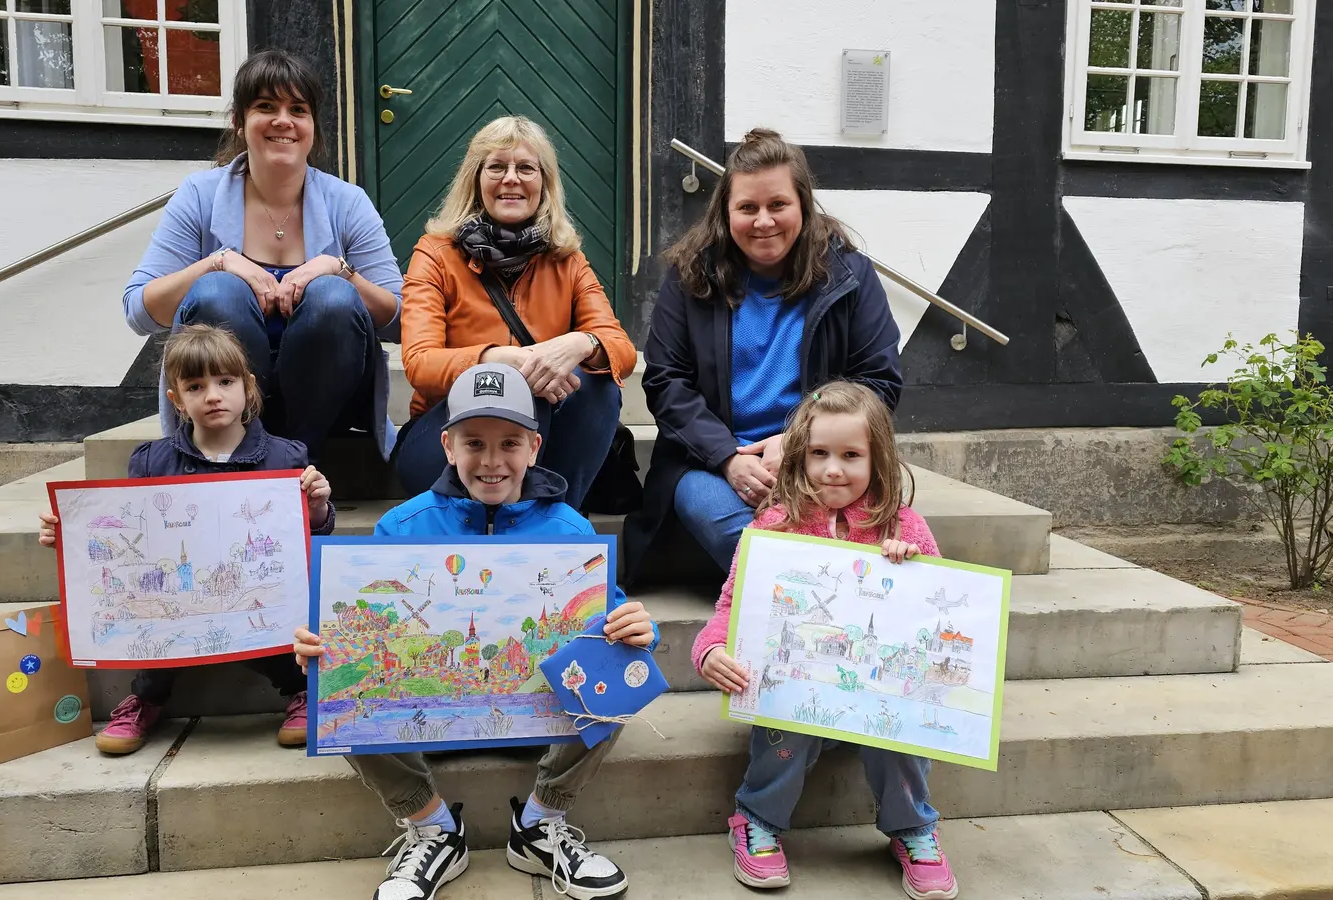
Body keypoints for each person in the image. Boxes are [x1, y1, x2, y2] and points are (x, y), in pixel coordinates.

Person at [292, 363, 657, 900]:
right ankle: (433, 827)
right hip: (423, 729)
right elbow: (352, 611)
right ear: (446, 445)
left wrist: (634, 626)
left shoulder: (570, 530)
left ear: (535, 447)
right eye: (473, 442)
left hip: (539, 720)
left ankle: (539, 823)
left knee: (627, 668)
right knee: (332, 688)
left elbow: (604, 613)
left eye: (509, 442)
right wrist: (321, 644)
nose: (491, 461)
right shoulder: (401, 527)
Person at [691, 381, 955, 900]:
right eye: (819, 454)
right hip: (800, 690)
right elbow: (732, 607)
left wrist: (915, 569)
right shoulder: (773, 529)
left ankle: (914, 827)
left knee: (901, 737)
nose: (833, 469)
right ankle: (757, 817)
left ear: (878, 459)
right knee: (781, 726)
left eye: (851, 455)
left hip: (877, 693)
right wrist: (711, 650)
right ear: (799, 457)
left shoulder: (905, 526)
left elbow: (936, 613)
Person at [38, 325, 336, 754]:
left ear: (248, 387)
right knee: (156, 618)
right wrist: (68, 536)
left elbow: (313, 534)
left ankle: (300, 691)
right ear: (176, 398)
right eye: (196, 386)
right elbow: (129, 531)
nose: (213, 395)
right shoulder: (151, 461)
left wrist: (318, 509)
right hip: (183, 594)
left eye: (225, 382)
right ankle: (146, 698)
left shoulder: (286, 458)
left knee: (272, 613)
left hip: (248, 591)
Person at [625, 128, 904, 582]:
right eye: (747, 208)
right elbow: (665, 381)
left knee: (888, 530)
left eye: (778, 205)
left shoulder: (849, 275)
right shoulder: (690, 275)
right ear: (726, 211)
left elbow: (878, 379)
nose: (763, 221)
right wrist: (728, 458)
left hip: (822, 453)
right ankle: (817, 592)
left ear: (803, 206)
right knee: (734, 527)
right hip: (712, 466)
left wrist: (798, 440)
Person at [123, 49, 403, 465]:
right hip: (220, 407)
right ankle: (249, 459)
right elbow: (139, 311)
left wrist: (340, 271)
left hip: (329, 400)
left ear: (312, 125)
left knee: (332, 297)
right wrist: (216, 263)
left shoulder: (348, 202)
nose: (283, 120)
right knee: (219, 290)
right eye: (265, 107)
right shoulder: (199, 195)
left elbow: (400, 319)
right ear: (239, 120)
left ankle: (293, 461)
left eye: (298, 109)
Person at [394, 115, 636, 509]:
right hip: (446, 441)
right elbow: (420, 364)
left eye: (526, 167)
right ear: (476, 179)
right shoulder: (435, 253)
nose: (511, 178)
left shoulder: (568, 261)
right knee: (526, 382)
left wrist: (582, 342)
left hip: (531, 441)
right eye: (497, 167)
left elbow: (622, 352)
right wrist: (500, 361)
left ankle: (556, 519)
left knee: (596, 382)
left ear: (545, 183)